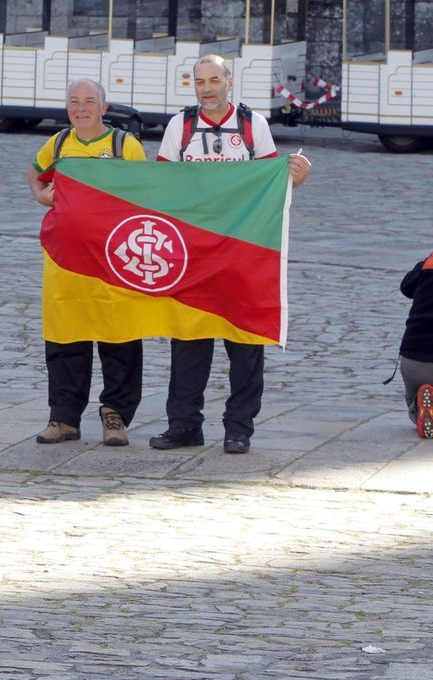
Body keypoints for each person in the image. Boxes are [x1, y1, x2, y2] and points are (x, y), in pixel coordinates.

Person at [148, 54, 311, 455]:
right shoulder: (180, 126)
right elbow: (162, 184)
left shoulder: (254, 125)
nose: (207, 88)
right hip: (195, 254)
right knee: (188, 342)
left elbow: (272, 186)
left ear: (229, 82)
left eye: (214, 80)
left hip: (242, 253)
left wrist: (296, 178)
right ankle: (184, 425)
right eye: (199, 81)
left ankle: (239, 428)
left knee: (245, 344)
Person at [26, 79, 146, 447]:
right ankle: (64, 418)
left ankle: (115, 416)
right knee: (66, 335)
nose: (81, 108)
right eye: (74, 102)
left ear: (104, 109)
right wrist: (41, 195)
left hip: (114, 260)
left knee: (119, 336)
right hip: (65, 260)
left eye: (89, 101)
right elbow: (35, 173)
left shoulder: (125, 146)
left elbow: (148, 190)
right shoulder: (58, 144)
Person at [399, 249, 433, 439]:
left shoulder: (426, 266)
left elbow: (406, 287)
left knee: (411, 400)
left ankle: (419, 405)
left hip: (414, 359)